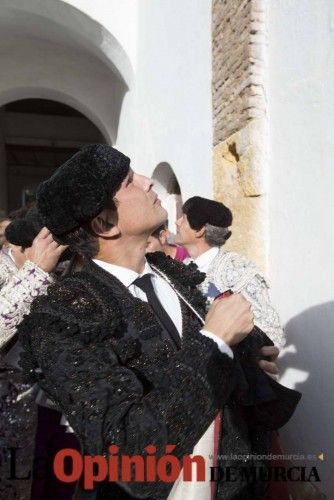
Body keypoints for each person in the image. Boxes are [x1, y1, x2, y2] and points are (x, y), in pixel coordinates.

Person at [17, 145, 298, 499]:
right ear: (104, 223)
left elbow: (218, 352)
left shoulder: (174, 275)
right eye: (129, 182)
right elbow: (130, 457)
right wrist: (215, 341)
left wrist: (245, 357)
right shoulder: (63, 317)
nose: (149, 182)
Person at [176, 196, 285, 349]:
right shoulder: (182, 268)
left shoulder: (235, 269)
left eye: (184, 219)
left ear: (199, 230)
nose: (177, 222)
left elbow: (270, 331)